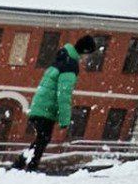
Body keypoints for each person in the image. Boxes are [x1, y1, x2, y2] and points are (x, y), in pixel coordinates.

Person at [23, 34, 98, 171]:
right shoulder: (70, 65)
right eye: (89, 55)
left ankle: (22, 166)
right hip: (46, 109)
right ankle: (27, 168)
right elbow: (64, 94)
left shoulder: (61, 59)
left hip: (40, 105)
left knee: (40, 140)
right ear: (85, 51)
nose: (87, 59)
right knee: (42, 140)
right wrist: (64, 119)